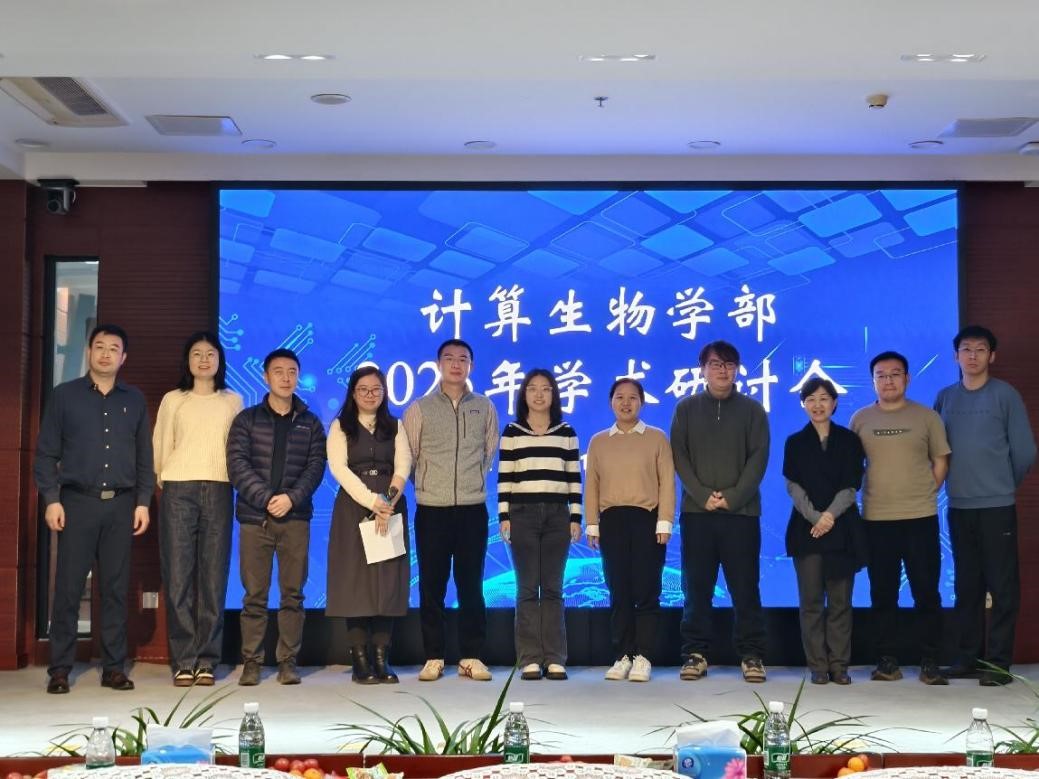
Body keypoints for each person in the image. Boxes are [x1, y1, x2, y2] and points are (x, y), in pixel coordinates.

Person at [34, 324, 154, 694]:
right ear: (89, 352)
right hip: (76, 503)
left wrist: (143, 502)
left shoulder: (134, 400)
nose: (105, 354)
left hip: (121, 505)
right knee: (69, 589)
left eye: (113, 348)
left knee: (116, 590)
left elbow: (144, 458)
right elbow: (45, 454)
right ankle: (60, 669)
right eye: (99, 346)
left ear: (123, 357)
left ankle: (113, 668)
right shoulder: (64, 396)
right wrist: (52, 499)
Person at [934, 325, 1036, 686]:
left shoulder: (1005, 395)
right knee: (967, 586)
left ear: (992, 356)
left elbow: (1025, 452)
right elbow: (936, 450)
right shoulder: (945, 397)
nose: (973, 356)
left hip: (997, 506)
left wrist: (1002, 486)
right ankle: (967, 659)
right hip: (959, 506)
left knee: (1003, 586)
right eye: (966, 349)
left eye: (980, 349)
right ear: (955, 356)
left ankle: (998, 664)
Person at [671, 340, 770, 683]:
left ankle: (752, 654)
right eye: (715, 364)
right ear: (703, 369)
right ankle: (695, 653)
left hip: (741, 514)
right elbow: (679, 456)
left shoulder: (753, 411)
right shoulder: (686, 409)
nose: (722, 370)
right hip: (697, 514)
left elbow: (759, 458)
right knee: (696, 588)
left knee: (745, 588)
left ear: (737, 370)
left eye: (729, 364)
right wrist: (702, 496)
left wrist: (733, 497)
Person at [226, 348, 326, 686]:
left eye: (292, 371)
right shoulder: (246, 420)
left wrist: (291, 499)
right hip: (255, 519)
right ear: (265, 376)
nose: (286, 377)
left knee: (293, 595)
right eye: (279, 371)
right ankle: (252, 662)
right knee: (254, 595)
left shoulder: (311, 423)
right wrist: (268, 499)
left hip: (295, 519)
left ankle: (288, 662)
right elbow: (237, 465)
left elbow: (315, 468)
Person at [850, 350, 951, 685]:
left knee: (926, 592)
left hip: (920, 517)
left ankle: (930, 661)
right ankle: (887, 661)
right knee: (883, 593)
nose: (888, 380)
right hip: (876, 518)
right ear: (873, 381)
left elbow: (941, 461)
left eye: (895, 374)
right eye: (881, 375)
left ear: (907, 378)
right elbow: (853, 466)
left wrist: (925, 492)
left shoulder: (927, 417)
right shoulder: (861, 419)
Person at [402, 338, 499, 682]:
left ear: (471, 366)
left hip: (472, 510)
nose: (456, 364)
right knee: (432, 586)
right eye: (449, 358)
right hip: (432, 511)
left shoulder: (484, 406)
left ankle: (472, 656)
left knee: (471, 586)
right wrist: (432, 485)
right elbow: (410, 457)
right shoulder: (420, 408)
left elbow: (488, 454)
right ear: (439, 364)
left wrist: (469, 483)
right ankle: (434, 656)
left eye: (463, 359)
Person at [152, 331, 243, 687]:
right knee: (178, 577)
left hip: (220, 488)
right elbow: (161, 444)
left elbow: (237, 448)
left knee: (213, 578)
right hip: (178, 488)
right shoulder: (173, 399)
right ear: (187, 360)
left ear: (220, 360)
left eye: (210, 354)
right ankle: (183, 660)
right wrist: (166, 478)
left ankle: (207, 660)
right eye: (197, 353)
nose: (204, 360)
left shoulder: (233, 400)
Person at [326, 366, 411, 684]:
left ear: (384, 393)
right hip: (353, 507)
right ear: (353, 393)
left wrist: (387, 502)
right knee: (355, 582)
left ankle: (381, 657)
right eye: (363, 389)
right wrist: (372, 501)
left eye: (376, 389)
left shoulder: (396, 425)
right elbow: (339, 468)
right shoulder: (340, 426)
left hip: (390, 506)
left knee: (388, 582)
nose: (370, 395)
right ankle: (360, 660)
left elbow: (403, 465)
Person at [585, 378, 675, 683]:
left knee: (647, 590)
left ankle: (644, 656)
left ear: (642, 402)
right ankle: (623, 654)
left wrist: (665, 521)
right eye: (620, 397)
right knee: (619, 591)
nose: (626, 403)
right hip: (612, 521)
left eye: (633, 397)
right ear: (611, 402)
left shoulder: (657, 438)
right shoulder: (599, 441)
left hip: (647, 520)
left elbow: (667, 483)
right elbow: (592, 485)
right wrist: (592, 524)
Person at [498, 369, 582, 681]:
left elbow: (574, 478)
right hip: (522, 514)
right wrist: (504, 516)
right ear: (524, 394)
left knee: (552, 588)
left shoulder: (566, 432)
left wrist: (576, 517)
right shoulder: (512, 432)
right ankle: (530, 658)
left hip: (558, 516)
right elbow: (505, 478)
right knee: (526, 588)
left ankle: (555, 658)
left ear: (554, 395)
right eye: (532, 388)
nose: (539, 394)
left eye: (546, 389)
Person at [783, 378, 866, 685]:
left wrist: (829, 516)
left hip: (842, 531)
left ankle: (840, 666)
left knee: (841, 603)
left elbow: (851, 485)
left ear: (834, 403)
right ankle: (818, 666)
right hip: (806, 531)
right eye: (811, 399)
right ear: (803, 404)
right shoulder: (795, 442)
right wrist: (816, 517)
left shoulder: (850, 440)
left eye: (824, 398)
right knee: (811, 602)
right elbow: (793, 485)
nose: (817, 405)